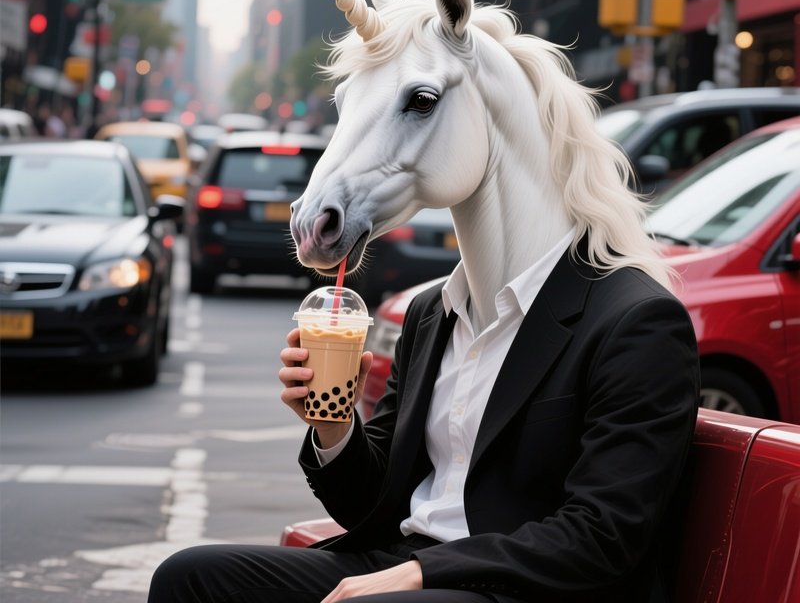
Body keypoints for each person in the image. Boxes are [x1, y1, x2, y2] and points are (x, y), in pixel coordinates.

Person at [148, 233, 699, 602]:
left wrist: (423, 572)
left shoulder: (636, 318)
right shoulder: (432, 310)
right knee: (190, 578)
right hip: (405, 559)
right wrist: (333, 425)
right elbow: (370, 506)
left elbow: (603, 537)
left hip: (522, 586)